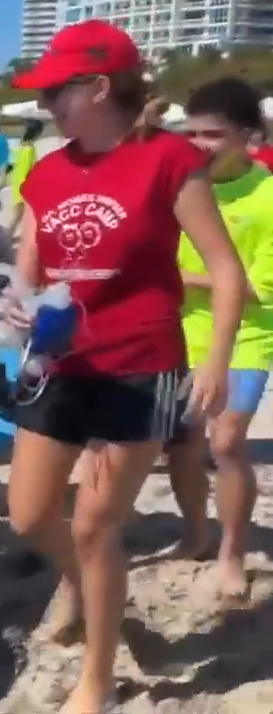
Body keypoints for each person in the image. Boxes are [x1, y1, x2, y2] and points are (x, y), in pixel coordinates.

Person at [6, 21, 247, 713]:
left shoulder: (168, 159)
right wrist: (16, 307)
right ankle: (81, 583)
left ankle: (97, 679)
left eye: (57, 91)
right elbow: (29, 272)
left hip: (140, 364)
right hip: (60, 364)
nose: (47, 105)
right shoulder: (47, 172)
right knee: (27, 516)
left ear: (99, 87)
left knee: (95, 525)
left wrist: (216, 362)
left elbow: (225, 275)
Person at [157, 77, 273, 603]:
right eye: (191, 133)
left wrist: (186, 278)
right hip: (178, 330)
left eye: (212, 135)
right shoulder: (178, 183)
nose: (197, 144)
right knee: (180, 444)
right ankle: (196, 531)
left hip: (249, 334)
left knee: (226, 444)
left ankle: (232, 550)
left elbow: (255, 289)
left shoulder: (268, 196)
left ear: (247, 135)